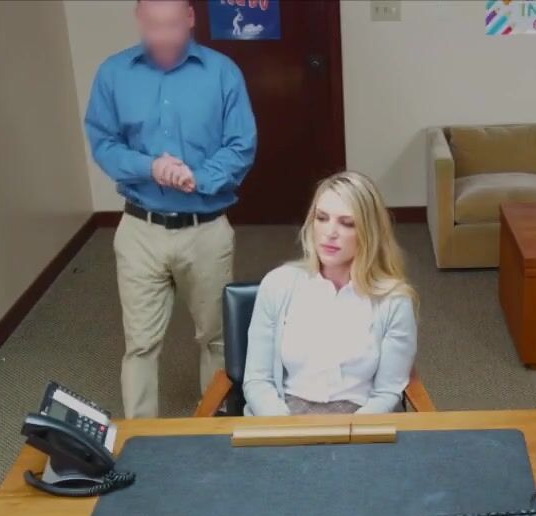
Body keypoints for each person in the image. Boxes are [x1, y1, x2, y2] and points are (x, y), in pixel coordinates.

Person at [84, 0, 257, 418]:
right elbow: (104, 143)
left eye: (172, 26)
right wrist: (151, 167)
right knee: (140, 344)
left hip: (206, 229)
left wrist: (198, 177)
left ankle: (215, 425)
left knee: (217, 337)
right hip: (140, 229)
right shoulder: (113, 73)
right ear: (138, 20)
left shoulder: (223, 73)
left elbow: (241, 145)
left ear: (191, 19)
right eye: (153, 26)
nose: (162, 37)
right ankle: (141, 435)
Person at [243, 172, 418, 416]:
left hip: (361, 416)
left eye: (347, 223)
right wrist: (285, 427)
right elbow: (257, 381)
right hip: (285, 413)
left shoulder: (393, 301)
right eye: (322, 218)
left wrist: (352, 431)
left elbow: (387, 393)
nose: (330, 232)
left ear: (369, 232)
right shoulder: (278, 284)